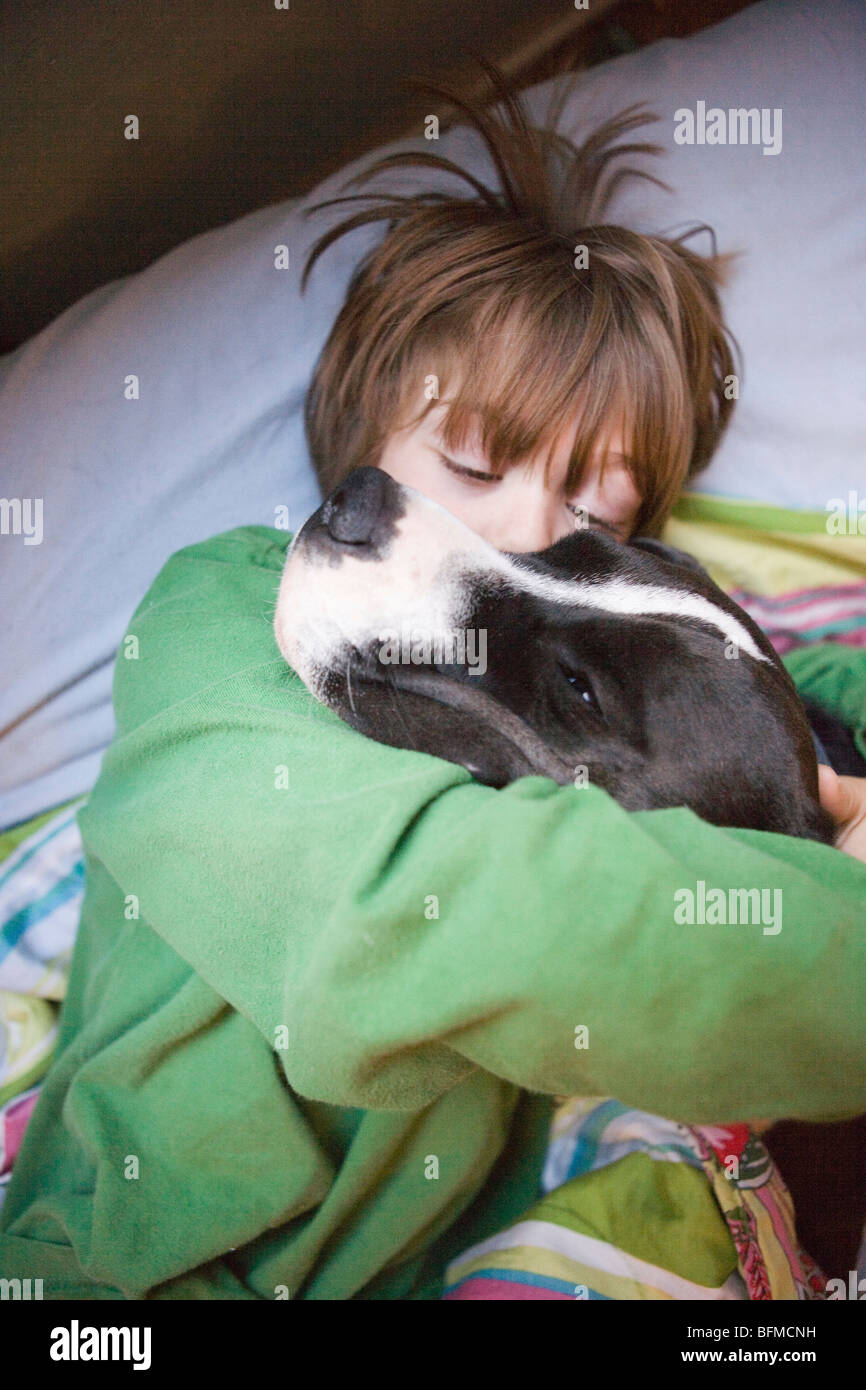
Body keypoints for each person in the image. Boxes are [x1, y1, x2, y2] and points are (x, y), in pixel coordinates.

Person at [1, 60, 865, 1302]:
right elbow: (420, 902)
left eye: (584, 522)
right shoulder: (213, 618)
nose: (516, 540)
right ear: (357, 463)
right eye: (467, 463)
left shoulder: (546, 674)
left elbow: (763, 686)